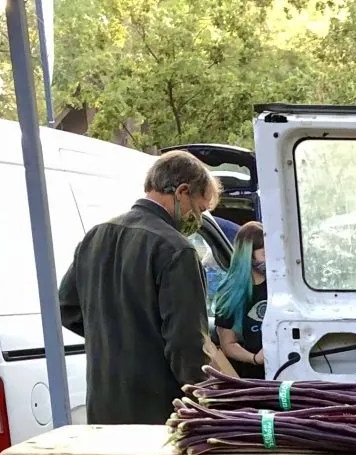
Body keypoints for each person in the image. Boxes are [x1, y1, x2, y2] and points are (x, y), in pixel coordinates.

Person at [58, 151, 219, 424]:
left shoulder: (95, 236)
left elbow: (66, 307)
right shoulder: (176, 249)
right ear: (182, 192)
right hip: (160, 411)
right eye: (200, 209)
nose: (198, 219)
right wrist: (208, 403)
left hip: (103, 405)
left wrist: (115, 338)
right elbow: (186, 342)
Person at [212, 222, 268, 379]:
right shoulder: (230, 293)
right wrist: (255, 359)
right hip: (254, 377)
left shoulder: (281, 284)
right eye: (265, 254)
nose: (270, 259)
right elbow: (228, 344)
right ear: (249, 255)